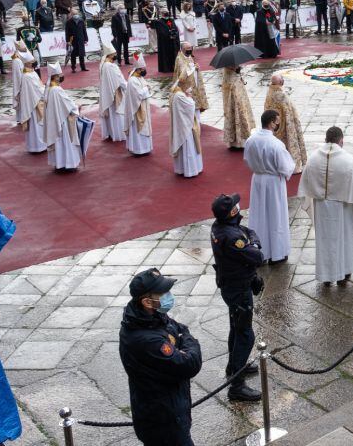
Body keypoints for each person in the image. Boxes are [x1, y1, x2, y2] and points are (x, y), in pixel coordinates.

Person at [119, 268, 202, 446]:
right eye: (163, 293)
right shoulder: (146, 339)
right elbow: (190, 364)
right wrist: (188, 344)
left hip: (169, 410)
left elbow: (180, 329)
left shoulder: (150, 316)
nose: (168, 296)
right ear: (147, 302)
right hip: (163, 420)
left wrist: (182, 340)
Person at [209, 194, 265, 402]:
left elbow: (248, 232)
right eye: (236, 206)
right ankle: (237, 386)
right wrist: (255, 244)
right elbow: (257, 256)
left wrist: (251, 240)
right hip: (238, 289)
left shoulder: (219, 227)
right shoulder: (232, 237)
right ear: (232, 212)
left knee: (236, 327)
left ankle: (235, 366)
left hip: (231, 285)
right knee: (245, 334)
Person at [298, 126, 353, 285]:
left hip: (321, 207)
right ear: (341, 140)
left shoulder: (314, 158)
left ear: (325, 139)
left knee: (325, 241)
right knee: (344, 238)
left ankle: (326, 275)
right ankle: (344, 272)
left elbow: (305, 184)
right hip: (342, 207)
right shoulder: (347, 159)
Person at [244, 110, 296, 263]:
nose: (278, 124)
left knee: (259, 215)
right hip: (273, 182)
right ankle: (277, 253)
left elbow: (247, 159)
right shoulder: (275, 144)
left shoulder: (251, 140)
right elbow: (286, 167)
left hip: (258, 179)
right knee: (276, 216)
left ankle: (260, 251)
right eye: (277, 121)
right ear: (272, 123)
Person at [263, 74, 307, 174]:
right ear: (280, 83)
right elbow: (289, 112)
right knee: (287, 145)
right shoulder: (281, 95)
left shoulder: (269, 92)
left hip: (273, 127)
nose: (283, 81)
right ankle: (291, 166)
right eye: (281, 80)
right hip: (284, 127)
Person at [43, 63, 83, 171]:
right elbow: (67, 104)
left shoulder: (49, 88)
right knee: (65, 141)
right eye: (60, 74)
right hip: (62, 120)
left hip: (55, 119)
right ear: (55, 76)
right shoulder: (57, 90)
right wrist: (76, 107)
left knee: (59, 142)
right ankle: (68, 164)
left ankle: (59, 163)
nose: (62, 76)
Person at [169, 77, 203, 178]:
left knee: (182, 148)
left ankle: (181, 169)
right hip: (185, 128)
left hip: (180, 125)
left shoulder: (174, 91)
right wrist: (189, 97)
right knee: (188, 148)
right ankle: (190, 170)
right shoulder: (180, 96)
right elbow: (191, 106)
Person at [16, 52, 47, 154]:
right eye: (32, 61)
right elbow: (37, 90)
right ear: (27, 63)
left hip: (35, 101)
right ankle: (37, 147)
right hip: (33, 104)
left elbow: (38, 86)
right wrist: (46, 92)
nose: (34, 62)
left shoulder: (32, 73)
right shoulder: (27, 76)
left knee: (37, 126)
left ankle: (40, 145)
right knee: (36, 125)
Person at [124, 54, 153, 156]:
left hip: (143, 106)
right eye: (143, 69)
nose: (144, 70)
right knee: (139, 129)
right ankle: (138, 149)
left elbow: (145, 86)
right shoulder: (132, 80)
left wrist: (147, 87)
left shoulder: (139, 77)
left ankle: (146, 148)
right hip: (137, 109)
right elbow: (139, 94)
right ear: (138, 69)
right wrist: (146, 88)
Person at [98, 44, 127, 142]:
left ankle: (111, 133)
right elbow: (119, 80)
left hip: (107, 93)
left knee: (111, 114)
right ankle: (119, 134)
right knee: (117, 113)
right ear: (109, 55)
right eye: (114, 54)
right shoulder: (110, 66)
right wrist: (129, 87)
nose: (116, 55)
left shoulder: (103, 64)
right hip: (114, 93)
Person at [221, 66, 253, 150]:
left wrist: (239, 74)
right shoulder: (230, 76)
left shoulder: (228, 74)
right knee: (237, 115)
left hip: (235, 93)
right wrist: (237, 71)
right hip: (235, 98)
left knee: (235, 115)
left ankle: (236, 142)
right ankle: (237, 142)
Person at [173, 44, 209, 114]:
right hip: (186, 87)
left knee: (196, 107)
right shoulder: (179, 59)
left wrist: (196, 67)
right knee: (190, 107)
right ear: (183, 49)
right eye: (188, 48)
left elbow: (191, 66)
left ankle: (197, 123)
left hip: (193, 84)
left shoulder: (188, 56)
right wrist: (193, 68)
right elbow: (182, 76)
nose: (190, 50)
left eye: (191, 48)